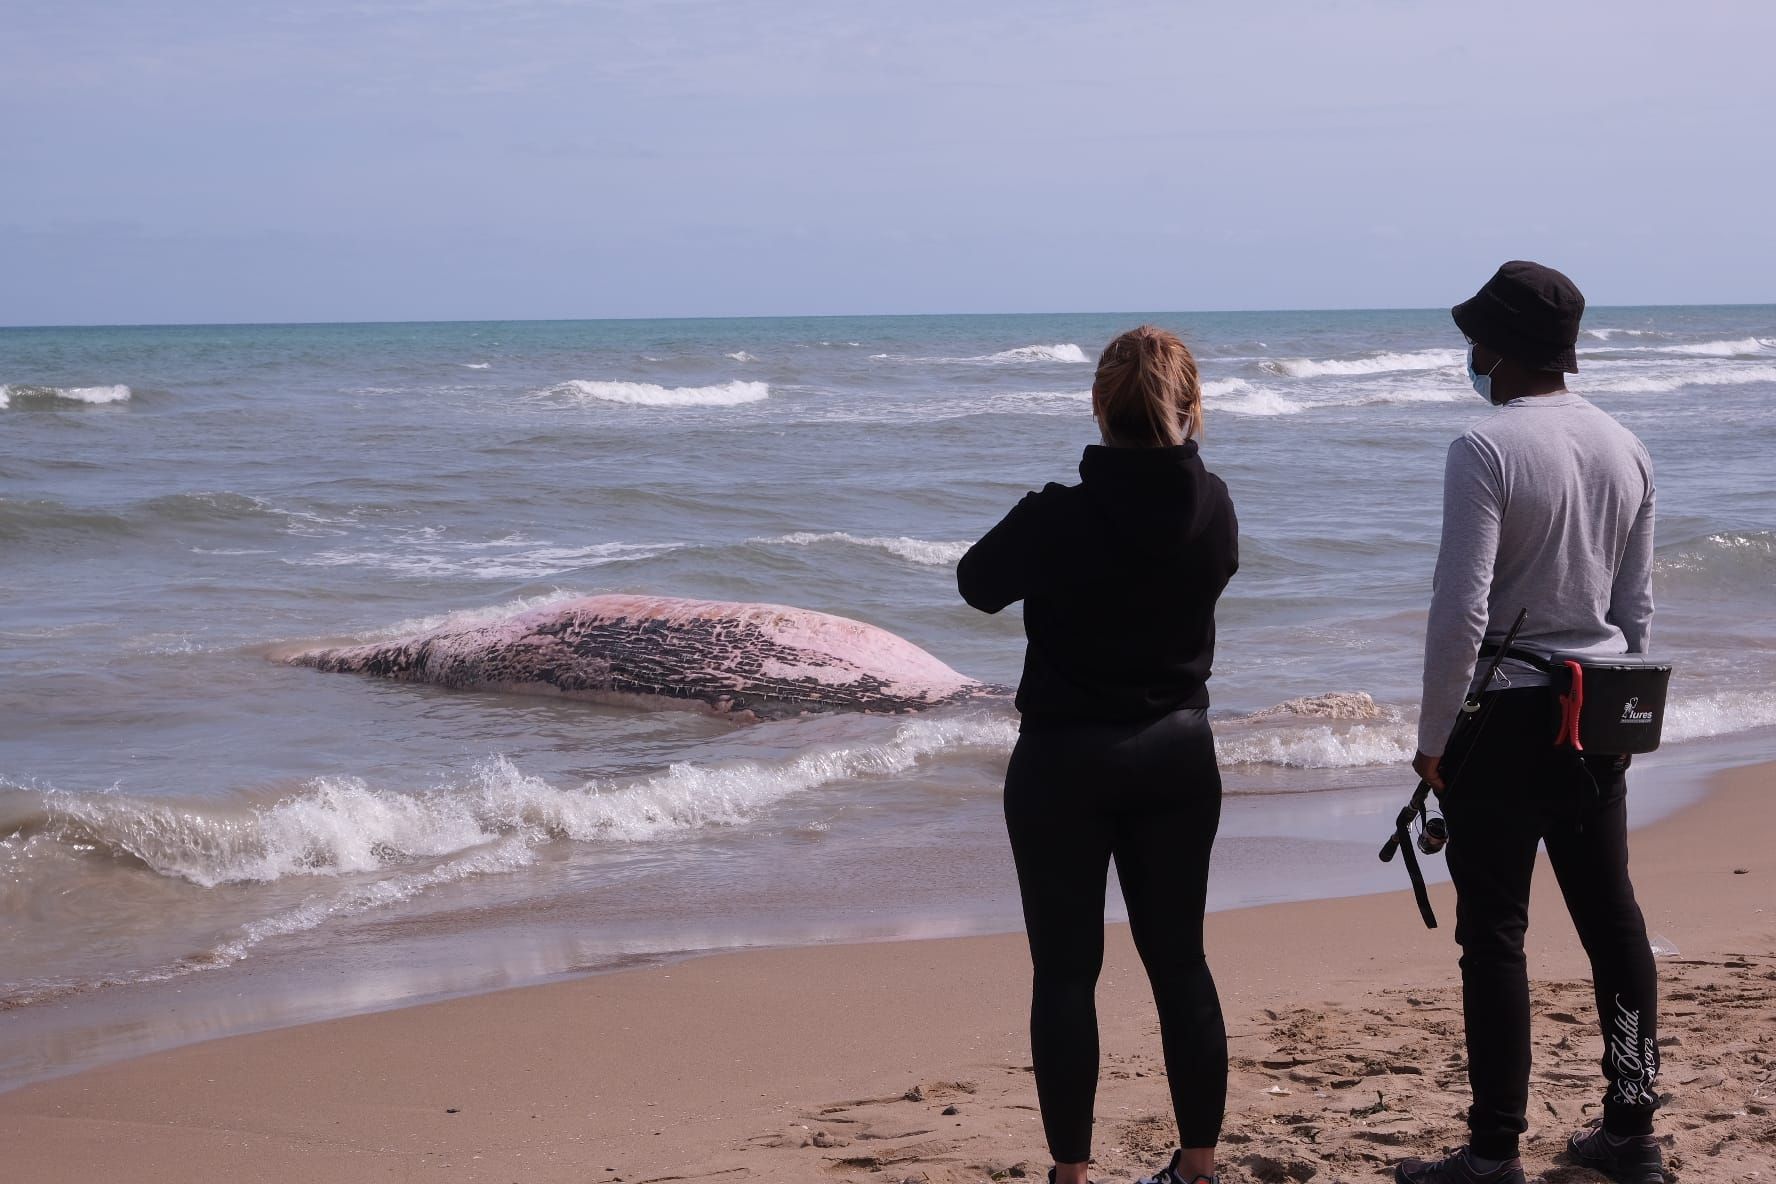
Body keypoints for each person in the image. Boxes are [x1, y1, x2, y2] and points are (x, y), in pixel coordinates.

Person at [1394, 262, 1662, 1184]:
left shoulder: (1484, 446)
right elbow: (1637, 609)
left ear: (1497, 349)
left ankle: (1494, 1148)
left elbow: (1460, 611)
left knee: (1495, 933)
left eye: (1476, 338)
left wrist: (1433, 739)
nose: (1469, 354)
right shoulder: (1626, 446)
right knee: (1612, 922)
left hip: (1504, 717)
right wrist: (1621, 722)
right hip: (1596, 710)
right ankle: (1632, 1132)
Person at [958, 326, 1238, 1184]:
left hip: (1063, 763)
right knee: (1180, 960)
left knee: (1067, 974)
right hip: (1177, 756)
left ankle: (1073, 1176)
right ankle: (1196, 1167)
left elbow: (976, 583)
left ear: (1097, 408)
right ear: (1191, 409)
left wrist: (1044, 526)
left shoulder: (1057, 514)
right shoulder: (1216, 502)